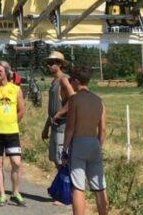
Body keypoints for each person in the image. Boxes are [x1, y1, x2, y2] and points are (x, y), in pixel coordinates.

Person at [63, 66, 109, 215]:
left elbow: (70, 127)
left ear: (76, 81)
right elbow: (103, 129)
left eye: (71, 80)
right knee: (100, 186)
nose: (70, 83)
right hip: (94, 143)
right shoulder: (98, 100)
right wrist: (98, 145)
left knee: (78, 187)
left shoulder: (74, 100)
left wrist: (64, 149)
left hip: (79, 143)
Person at [0, 61, 27, 206]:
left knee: (16, 163)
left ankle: (15, 193)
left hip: (11, 132)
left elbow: (21, 110)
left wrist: (12, 122)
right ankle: (2, 195)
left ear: (6, 72)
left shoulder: (16, 89)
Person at [42, 50, 76, 205]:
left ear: (60, 64)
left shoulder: (64, 79)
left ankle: (69, 196)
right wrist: (46, 127)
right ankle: (64, 192)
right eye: (48, 63)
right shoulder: (54, 82)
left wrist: (60, 114)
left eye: (52, 63)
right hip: (55, 126)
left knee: (63, 161)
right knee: (57, 160)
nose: (49, 66)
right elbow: (52, 108)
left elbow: (73, 98)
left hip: (63, 127)